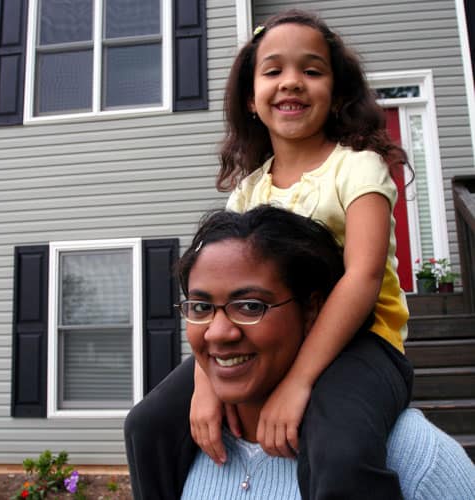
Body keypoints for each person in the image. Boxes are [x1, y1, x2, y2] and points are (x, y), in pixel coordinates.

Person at [194, 9, 414, 499]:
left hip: (364, 343)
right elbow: (213, 298)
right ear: (251, 99)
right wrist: (203, 385)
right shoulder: (247, 194)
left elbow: (361, 277)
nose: (291, 82)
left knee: (340, 454)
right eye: (273, 71)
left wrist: (297, 383)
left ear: (336, 94)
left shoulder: (359, 170)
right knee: (146, 425)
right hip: (269, 341)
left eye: (311, 71)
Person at [125, 206, 475, 499]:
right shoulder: (175, 449)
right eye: (200, 308)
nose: (219, 333)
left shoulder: (409, 455)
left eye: (250, 306)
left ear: (312, 311)